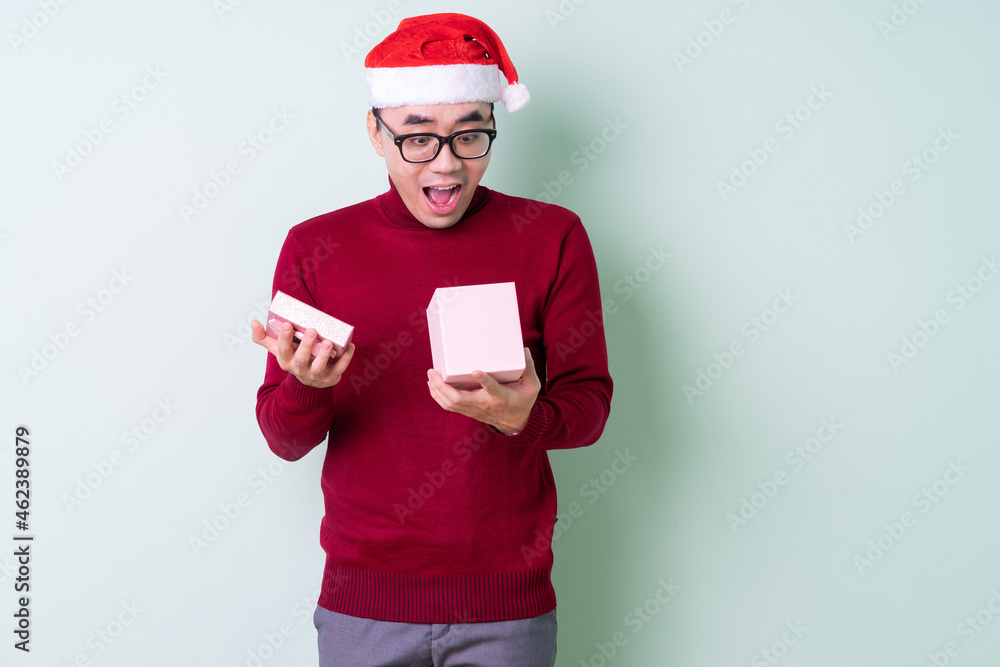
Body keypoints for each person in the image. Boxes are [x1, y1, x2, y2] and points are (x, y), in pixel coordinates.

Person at [251, 13, 613, 667]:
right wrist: (308, 384)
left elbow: (589, 411)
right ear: (376, 131)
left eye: (470, 136)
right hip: (364, 607)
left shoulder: (553, 235)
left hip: (508, 607)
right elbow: (283, 437)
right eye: (418, 139)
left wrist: (522, 417)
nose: (446, 165)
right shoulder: (315, 247)